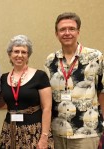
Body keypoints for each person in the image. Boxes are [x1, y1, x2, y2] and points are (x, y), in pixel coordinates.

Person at [44, 12, 104, 149]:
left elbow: (102, 91)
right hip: (57, 132)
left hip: (87, 132)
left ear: (78, 32)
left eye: (71, 29)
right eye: (62, 29)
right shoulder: (50, 60)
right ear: (56, 33)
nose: (67, 33)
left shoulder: (95, 57)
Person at [0, 35, 54, 149]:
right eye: (16, 51)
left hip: (34, 131)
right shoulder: (3, 78)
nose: (19, 55)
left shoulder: (40, 76)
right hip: (10, 131)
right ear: (10, 54)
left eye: (24, 52)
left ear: (28, 56)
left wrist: (44, 137)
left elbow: (47, 108)